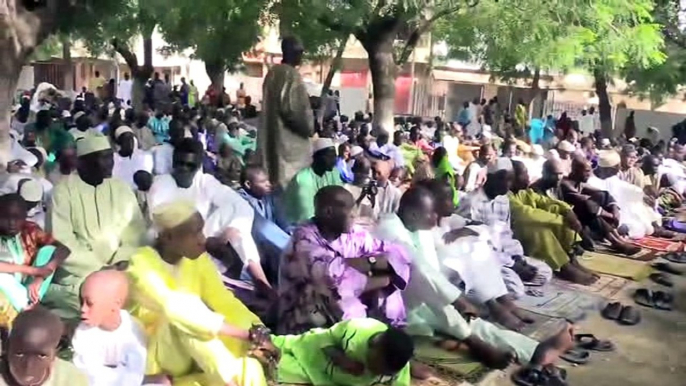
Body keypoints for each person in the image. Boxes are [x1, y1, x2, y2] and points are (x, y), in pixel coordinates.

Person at [375, 186, 574, 369]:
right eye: (431, 213)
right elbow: (420, 269)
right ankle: (477, 342)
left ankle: (532, 351)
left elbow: (435, 266)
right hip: (395, 306)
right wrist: (457, 300)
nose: (435, 217)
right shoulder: (390, 230)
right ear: (413, 214)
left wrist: (455, 299)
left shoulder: (415, 227)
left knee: (463, 314)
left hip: (421, 300)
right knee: (447, 305)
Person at [126, 200, 276, 386]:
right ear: (168, 237)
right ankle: (229, 381)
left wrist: (257, 330)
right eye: (193, 233)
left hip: (200, 353)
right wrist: (245, 334)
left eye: (201, 231)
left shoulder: (197, 260)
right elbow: (174, 309)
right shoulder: (140, 263)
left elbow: (224, 301)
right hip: (161, 356)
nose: (202, 240)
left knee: (249, 367)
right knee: (182, 315)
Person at [148, 138, 273, 297]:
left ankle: (261, 281)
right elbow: (164, 227)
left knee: (235, 211)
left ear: (199, 166)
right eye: (179, 164)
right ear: (173, 163)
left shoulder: (205, 181)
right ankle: (255, 286)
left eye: (190, 165)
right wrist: (205, 241)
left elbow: (241, 206)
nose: (184, 169)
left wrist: (232, 228)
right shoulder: (161, 184)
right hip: (173, 246)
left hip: (201, 239)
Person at [278, 186, 410, 334]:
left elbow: (397, 253)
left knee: (389, 288)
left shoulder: (352, 234)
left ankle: (393, 333)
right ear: (328, 212)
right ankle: (353, 346)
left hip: (338, 302)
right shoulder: (303, 239)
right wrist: (377, 270)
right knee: (347, 302)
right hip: (306, 313)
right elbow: (332, 278)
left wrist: (371, 267)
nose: (355, 215)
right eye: (350, 210)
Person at [42, 134, 146, 320]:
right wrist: (98, 268)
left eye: (110, 156)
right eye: (102, 157)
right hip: (79, 274)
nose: (109, 163)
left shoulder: (121, 189)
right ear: (82, 163)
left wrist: (122, 260)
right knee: (89, 303)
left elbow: (135, 231)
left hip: (122, 269)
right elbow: (62, 239)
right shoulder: (62, 192)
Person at [457, 159, 553, 298]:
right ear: (489, 178)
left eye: (510, 180)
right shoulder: (472, 202)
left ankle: (499, 284)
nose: (507, 184)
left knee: (544, 272)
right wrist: (511, 264)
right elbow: (474, 245)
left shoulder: (503, 200)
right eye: (503, 179)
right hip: (482, 259)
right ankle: (477, 287)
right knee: (516, 290)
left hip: (506, 256)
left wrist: (518, 258)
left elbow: (506, 235)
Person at [509, 159, 597, 285]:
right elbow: (526, 213)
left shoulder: (524, 192)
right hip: (512, 236)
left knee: (565, 222)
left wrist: (567, 212)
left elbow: (546, 202)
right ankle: (563, 267)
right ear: (512, 178)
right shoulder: (506, 196)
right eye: (524, 174)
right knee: (540, 229)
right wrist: (560, 220)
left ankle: (571, 260)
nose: (528, 177)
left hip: (524, 231)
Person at [541, 158, 641, 255]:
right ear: (576, 171)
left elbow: (604, 194)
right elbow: (584, 202)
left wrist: (615, 209)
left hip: (582, 218)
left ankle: (617, 239)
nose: (590, 174)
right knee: (589, 209)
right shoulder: (565, 184)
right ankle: (616, 241)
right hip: (568, 220)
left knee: (600, 198)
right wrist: (611, 216)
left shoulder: (579, 183)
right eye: (587, 171)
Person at [273, 319, 413, 386]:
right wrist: (341, 359)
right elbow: (322, 340)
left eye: (383, 373)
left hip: (345, 381)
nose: (375, 374)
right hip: (318, 358)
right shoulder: (356, 330)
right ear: (374, 345)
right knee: (278, 360)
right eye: (375, 368)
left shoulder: (398, 362)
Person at [0, 194, 69, 325]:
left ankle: (31, 301)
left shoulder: (30, 229)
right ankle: (26, 307)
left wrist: (40, 277)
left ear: (25, 217)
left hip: (27, 286)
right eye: (5, 218)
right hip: (4, 288)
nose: (12, 223)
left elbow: (63, 249)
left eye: (17, 218)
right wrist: (34, 271)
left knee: (48, 251)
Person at [72, 270, 149, 386]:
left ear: (116, 304)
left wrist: (110, 372)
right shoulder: (83, 333)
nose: (83, 309)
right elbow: (91, 376)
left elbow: (136, 374)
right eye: (82, 301)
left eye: (89, 303)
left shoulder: (133, 329)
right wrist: (120, 371)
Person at [258, 36, 315, 189]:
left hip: (274, 139)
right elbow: (294, 111)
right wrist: (310, 126)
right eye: (299, 52)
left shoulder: (272, 73)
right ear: (291, 52)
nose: (301, 56)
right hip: (289, 148)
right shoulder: (291, 75)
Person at [0, 307, 88, 386]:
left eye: (41, 356)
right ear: (6, 348)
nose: (29, 366)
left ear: (55, 353)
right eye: (19, 354)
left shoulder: (72, 380)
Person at [237, 166, 290, 286]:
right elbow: (262, 228)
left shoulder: (269, 196)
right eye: (262, 182)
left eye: (267, 180)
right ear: (248, 184)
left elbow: (283, 221)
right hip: (251, 252)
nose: (268, 184)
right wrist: (289, 246)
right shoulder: (240, 200)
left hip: (270, 247)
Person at [282, 138, 342, 225]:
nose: (334, 160)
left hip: (324, 221)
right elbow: (307, 215)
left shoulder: (333, 172)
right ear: (316, 157)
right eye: (329, 156)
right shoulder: (302, 179)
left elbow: (339, 199)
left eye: (335, 156)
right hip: (298, 224)